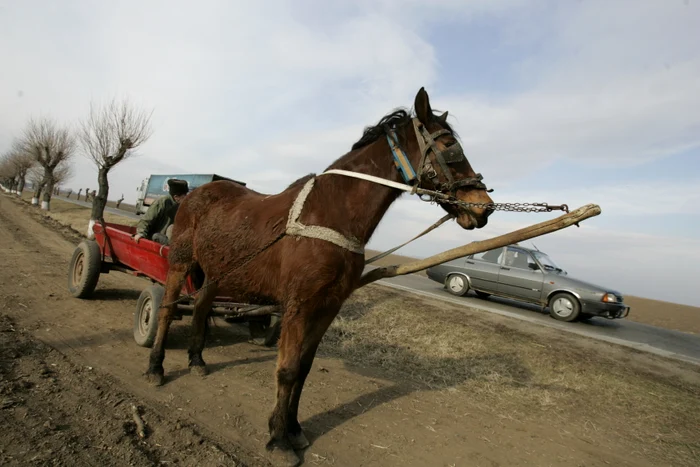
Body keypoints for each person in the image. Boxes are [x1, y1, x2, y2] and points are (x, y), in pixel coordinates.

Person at [133, 178, 189, 245]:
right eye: (184, 196)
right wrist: (140, 233)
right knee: (156, 235)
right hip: (155, 239)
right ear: (176, 197)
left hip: (169, 239)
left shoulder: (183, 206)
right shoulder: (162, 202)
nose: (187, 198)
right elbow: (147, 220)